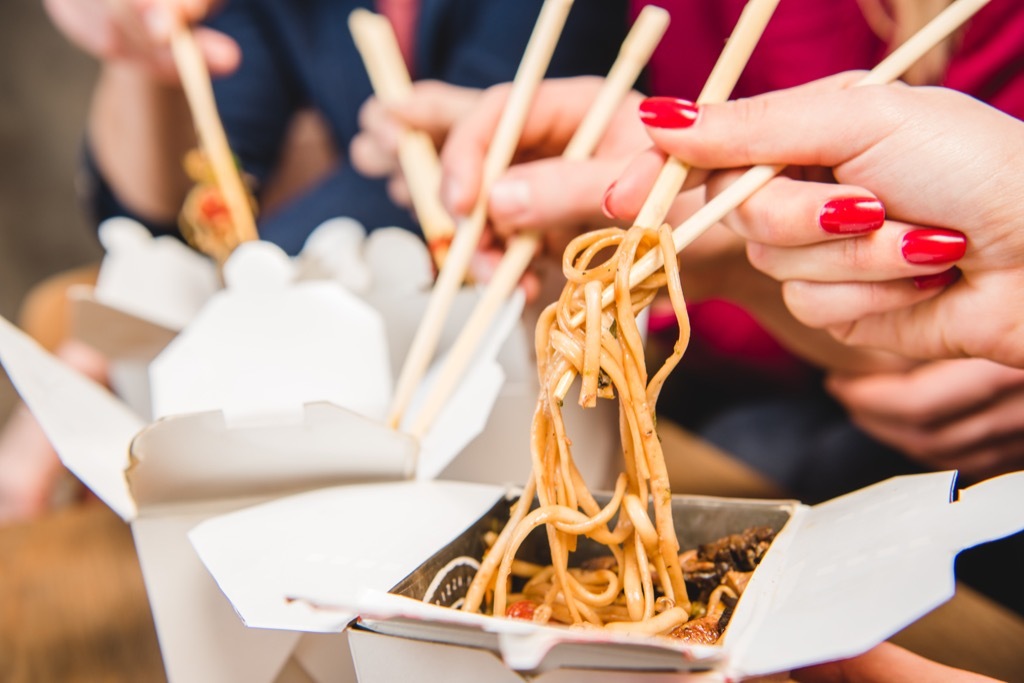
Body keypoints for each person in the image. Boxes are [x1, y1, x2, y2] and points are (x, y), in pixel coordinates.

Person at [356, 0, 1024, 614]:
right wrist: (718, 244)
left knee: (756, 453)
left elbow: (918, 343)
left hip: (874, 414)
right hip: (795, 365)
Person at [0, 0, 629, 524]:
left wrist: (166, 313)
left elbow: (468, 158)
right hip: (375, 385)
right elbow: (177, 203)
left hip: (554, 366)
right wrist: (139, 48)